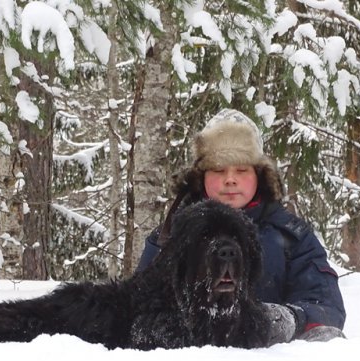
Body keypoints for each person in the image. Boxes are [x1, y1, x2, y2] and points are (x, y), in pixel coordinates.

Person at [136, 109, 345, 344]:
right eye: (218, 170)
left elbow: (325, 308)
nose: (230, 179)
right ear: (201, 177)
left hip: (269, 359)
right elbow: (139, 305)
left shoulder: (293, 237)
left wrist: (286, 320)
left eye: (242, 170)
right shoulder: (170, 236)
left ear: (260, 175)